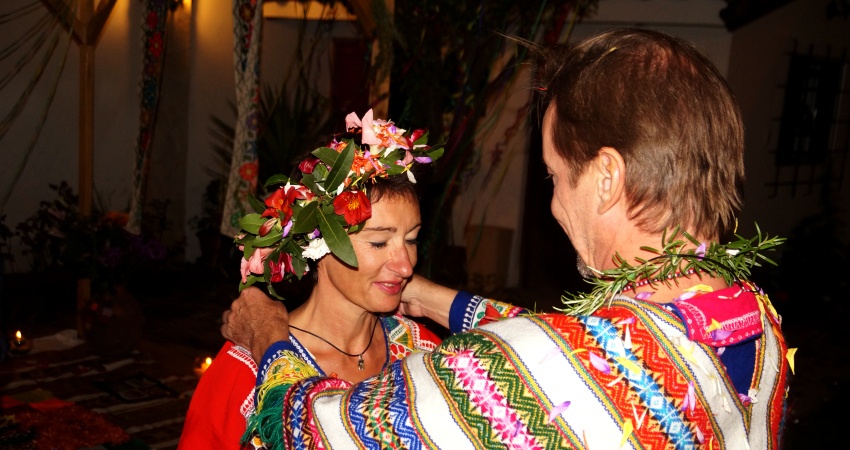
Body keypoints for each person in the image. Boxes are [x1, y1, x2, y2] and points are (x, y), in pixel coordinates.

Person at [221, 29, 793, 449]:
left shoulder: (559, 372)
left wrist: (269, 334)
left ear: (608, 177)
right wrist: (423, 296)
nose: (554, 203)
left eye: (555, 177)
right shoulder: (755, 325)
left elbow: (317, 430)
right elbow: (580, 343)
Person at [178, 110, 445, 449]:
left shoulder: (421, 349)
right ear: (318, 243)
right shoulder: (244, 370)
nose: (406, 266)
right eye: (378, 242)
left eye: (411, 240)